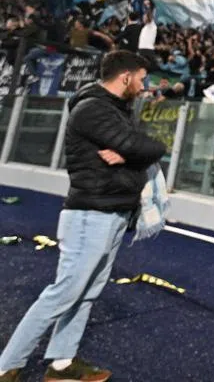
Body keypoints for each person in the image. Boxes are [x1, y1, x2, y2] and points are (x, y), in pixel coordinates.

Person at [0, 51, 165, 382]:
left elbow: (142, 147)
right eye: (142, 78)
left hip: (113, 213)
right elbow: (149, 147)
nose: (145, 85)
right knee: (65, 291)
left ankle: (61, 364)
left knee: (87, 290)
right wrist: (134, 150)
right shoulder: (93, 109)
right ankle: (7, 366)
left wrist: (130, 153)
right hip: (91, 215)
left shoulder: (116, 110)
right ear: (126, 77)